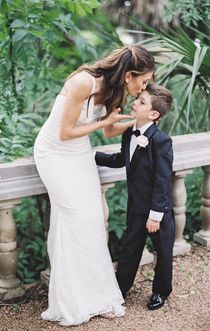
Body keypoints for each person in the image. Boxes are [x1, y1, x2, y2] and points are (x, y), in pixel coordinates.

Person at [34, 45, 155, 326]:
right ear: (129, 75)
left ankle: (97, 297)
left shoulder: (116, 91)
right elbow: (65, 132)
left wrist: (135, 120)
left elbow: (110, 127)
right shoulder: (83, 82)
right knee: (74, 219)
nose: (145, 86)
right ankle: (70, 300)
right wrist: (105, 124)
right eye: (144, 80)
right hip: (54, 154)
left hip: (79, 154)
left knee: (92, 220)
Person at [95, 84, 174, 310]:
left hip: (158, 211)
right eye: (137, 99)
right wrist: (91, 156)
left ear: (153, 114)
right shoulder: (130, 132)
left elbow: (163, 180)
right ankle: (120, 289)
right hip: (135, 207)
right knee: (130, 249)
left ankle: (161, 291)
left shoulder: (161, 141)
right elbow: (122, 159)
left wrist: (156, 215)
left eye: (141, 102)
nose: (134, 102)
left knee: (164, 252)